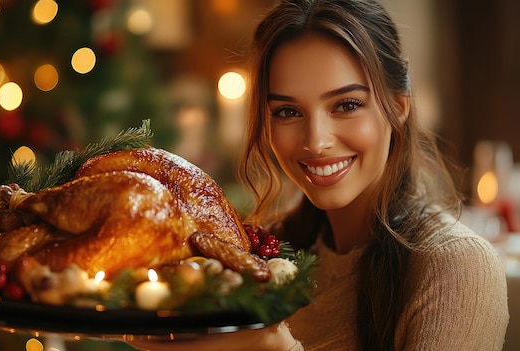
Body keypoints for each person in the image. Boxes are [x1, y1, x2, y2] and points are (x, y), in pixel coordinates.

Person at [129, 0, 509, 349]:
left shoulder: (456, 266)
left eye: (346, 105)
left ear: (398, 106)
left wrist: (277, 346)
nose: (316, 141)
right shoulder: (267, 258)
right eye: (288, 112)